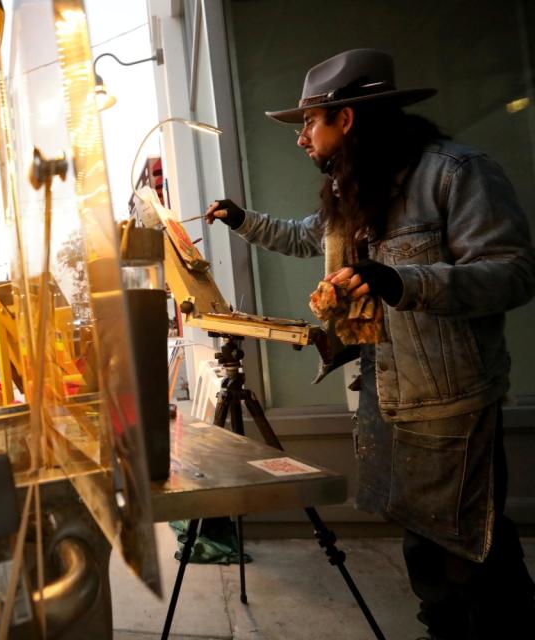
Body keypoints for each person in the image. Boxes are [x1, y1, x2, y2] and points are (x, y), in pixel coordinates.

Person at [205, 48, 535, 639]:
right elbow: (305, 236)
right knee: (422, 540)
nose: (302, 137)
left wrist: (404, 282)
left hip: (449, 398)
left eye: (309, 121)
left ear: (346, 119)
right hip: (385, 392)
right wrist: (239, 218)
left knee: (468, 545)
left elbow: (512, 273)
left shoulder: (456, 171)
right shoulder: (352, 190)